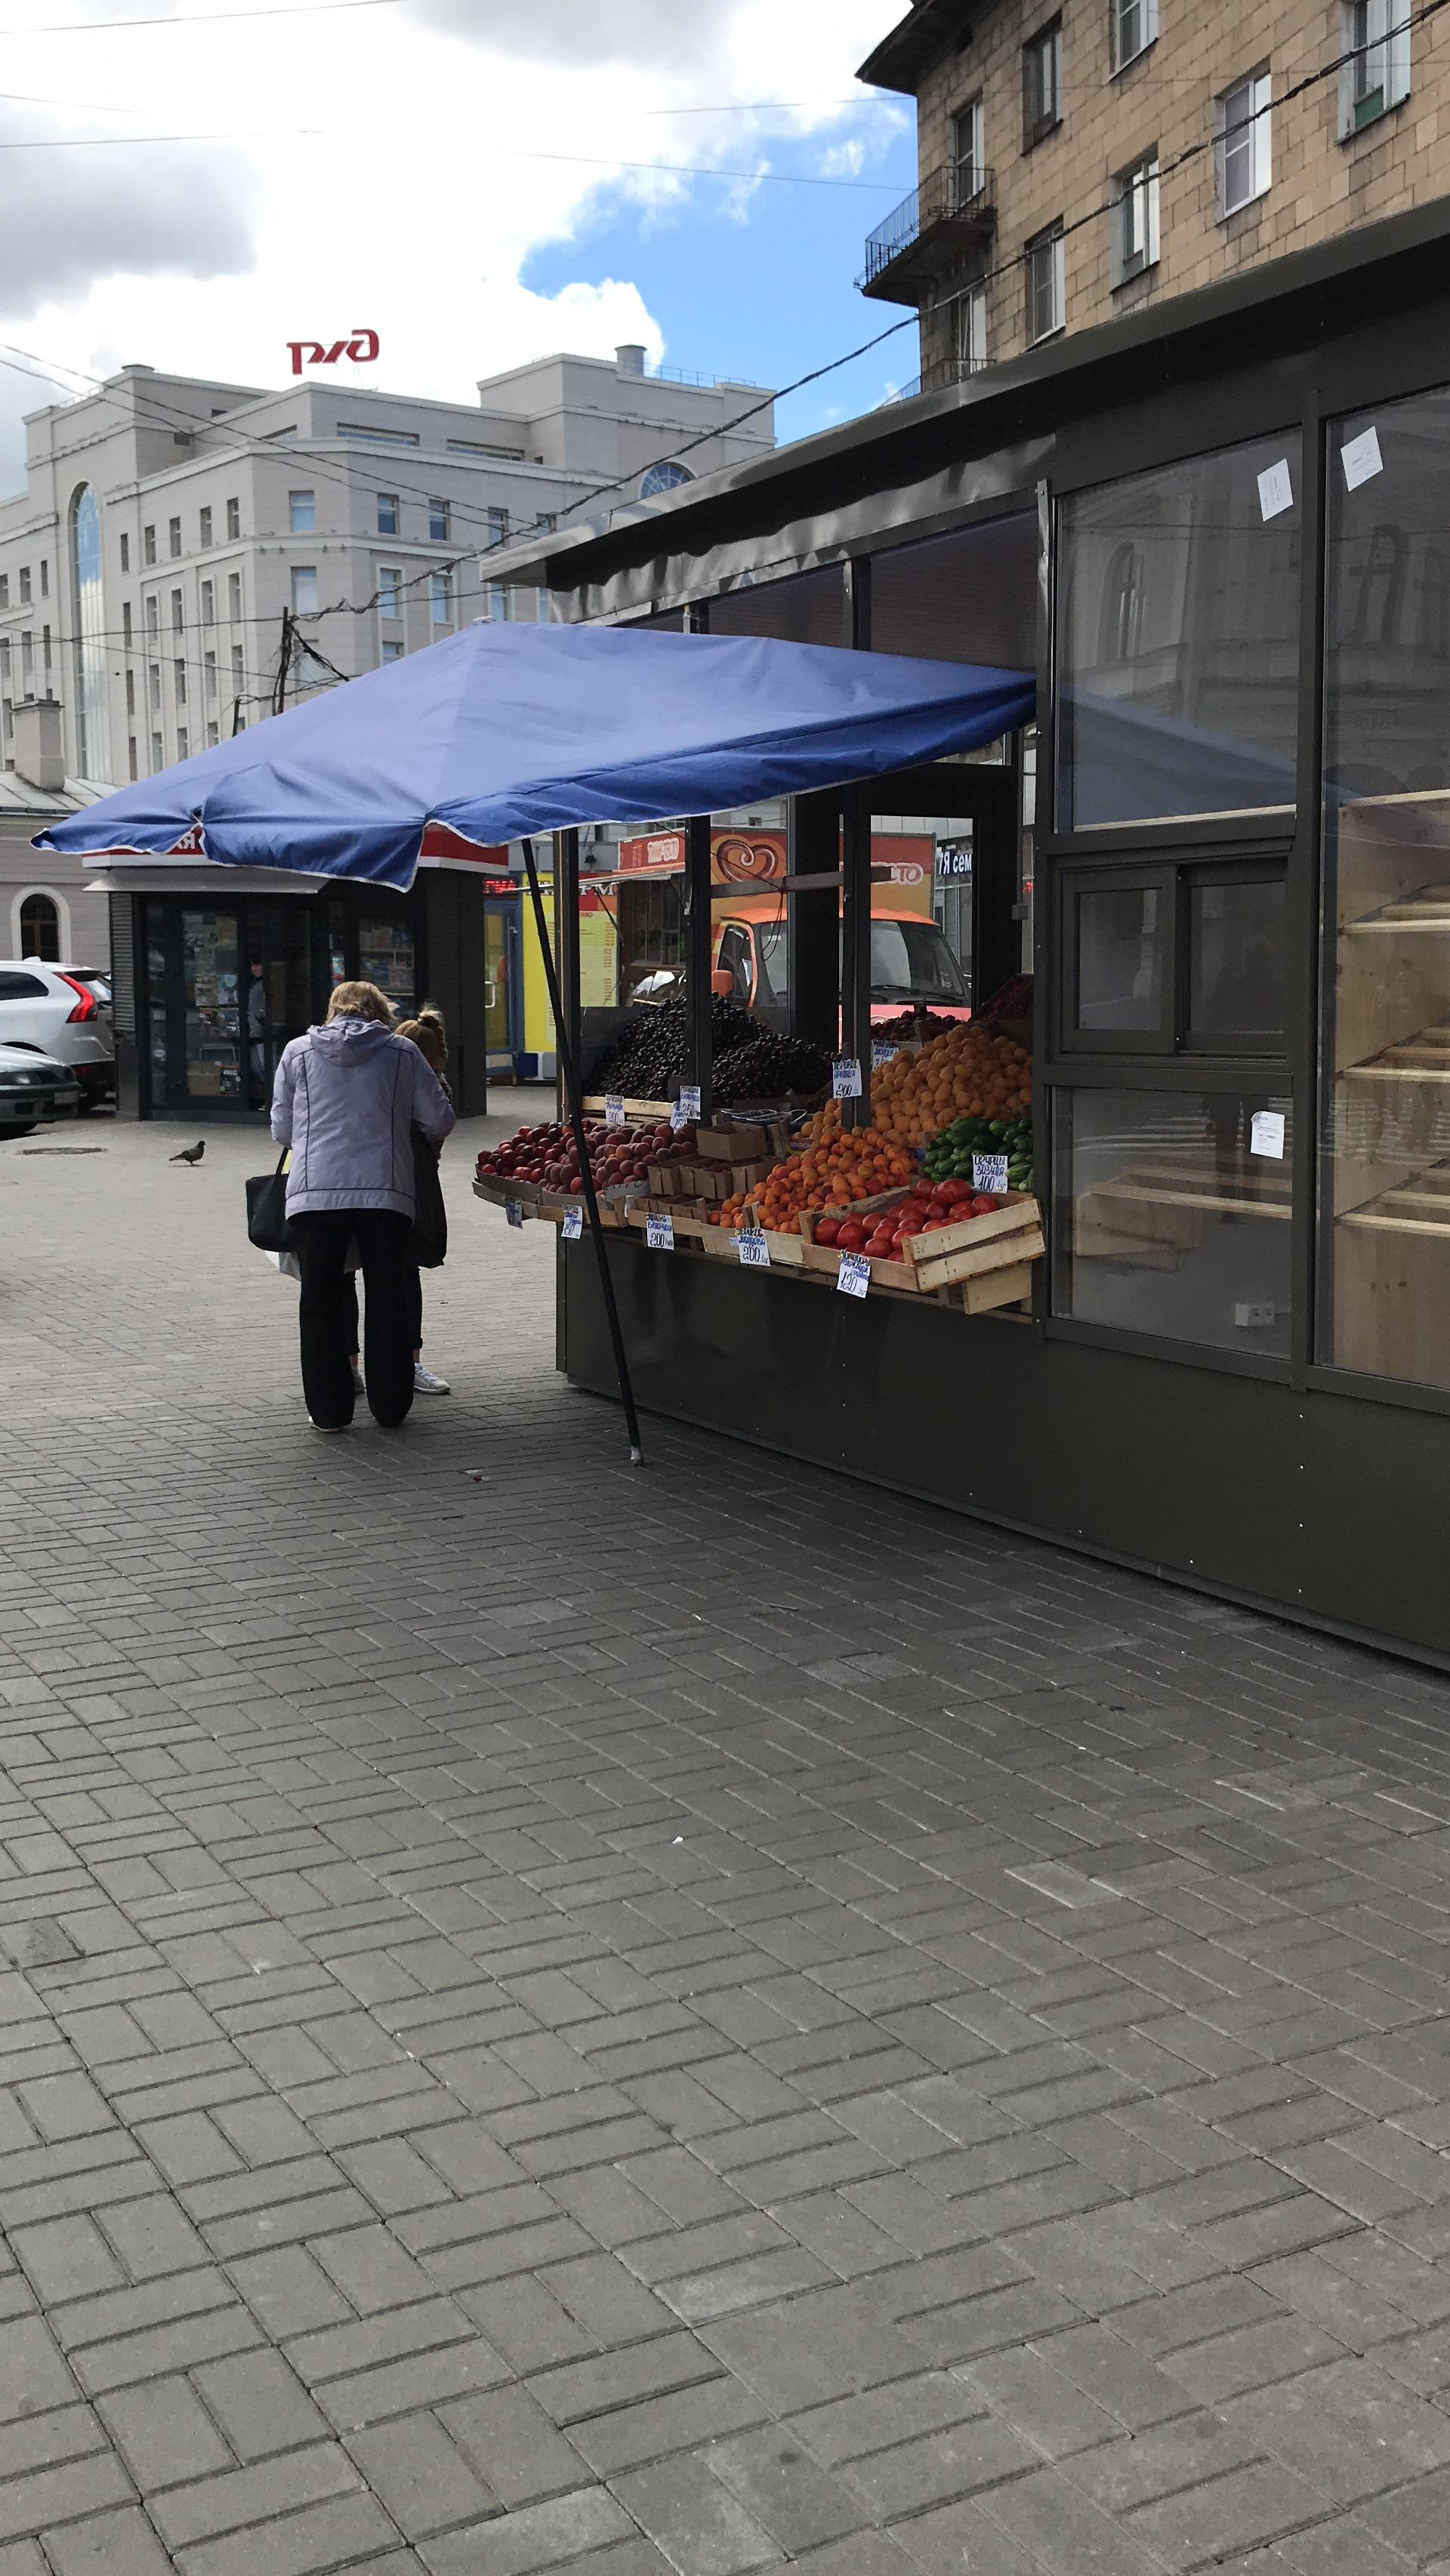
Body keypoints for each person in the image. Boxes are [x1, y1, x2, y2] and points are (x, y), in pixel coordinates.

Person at [270, 981, 455, 1431]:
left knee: (320, 1300)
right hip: (385, 1193)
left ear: (332, 1010)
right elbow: (439, 1118)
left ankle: (329, 1411)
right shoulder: (402, 1053)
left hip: (316, 1193)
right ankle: (390, 1407)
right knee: (388, 1296)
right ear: (382, 1012)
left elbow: (282, 1130)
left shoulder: (297, 1052)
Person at [340, 1006, 453, 1395]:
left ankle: (353, 1367)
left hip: (360, 1186)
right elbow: (438, 1127)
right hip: (400, 1191)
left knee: (349, 1274)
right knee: (401, 1275)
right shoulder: (416, 1082)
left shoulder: (402, 1079)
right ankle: (408, 1362)